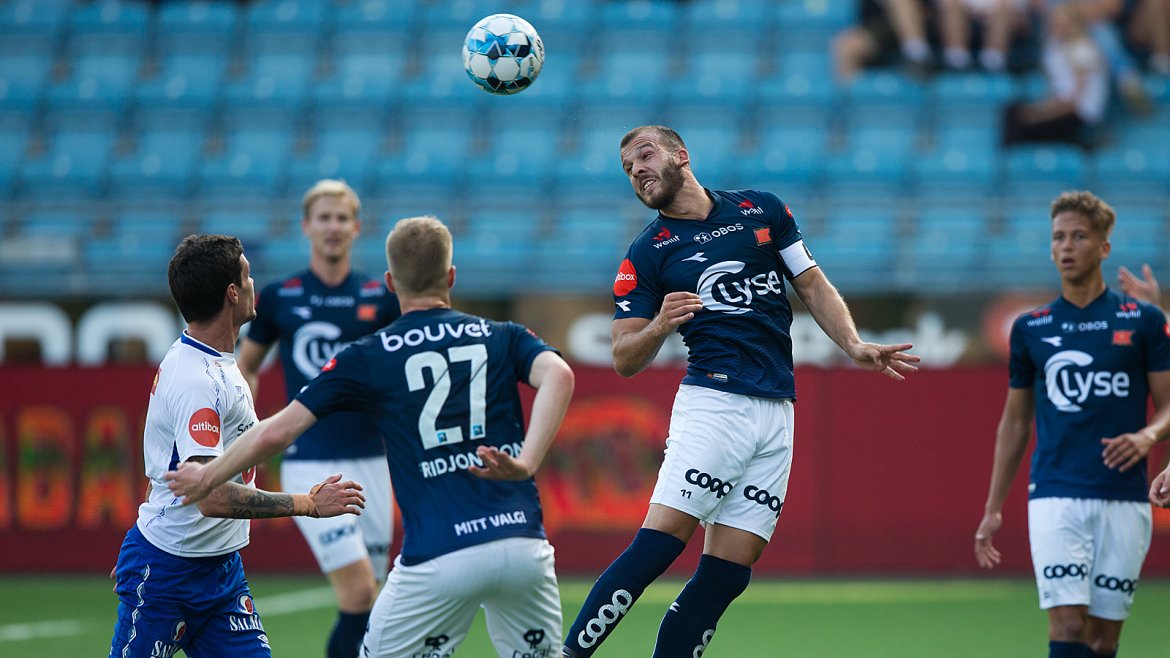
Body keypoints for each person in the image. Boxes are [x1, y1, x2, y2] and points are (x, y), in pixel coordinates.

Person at [559, 126, 920, 658]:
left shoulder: (762, 211)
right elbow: (622, 358)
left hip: (777, 411)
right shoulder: (647, 253)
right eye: (627, 168)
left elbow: (812, 282)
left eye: (644, 155)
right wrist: (659, 326)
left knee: (728, 573)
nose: (636, 170)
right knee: (659, 545)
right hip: (715, 405)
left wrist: (852, 343)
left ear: (681, 155)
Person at [167, 216, 575, 658]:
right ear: (451, 276)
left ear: (390, 282)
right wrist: (528, 462)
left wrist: (207, 478)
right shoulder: (502, 335)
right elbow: (559, 374)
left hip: (439, 555)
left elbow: (280, 430)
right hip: (523, 545)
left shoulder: (370, 355)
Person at [109, 234, 366, 658]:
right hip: (168, 574)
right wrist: (307, 503)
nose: (253, 284)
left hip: (220, 570)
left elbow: (231, 450)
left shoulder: (219, 363)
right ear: (232, 293)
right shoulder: (198, 381)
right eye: (247, 275)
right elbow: (212, 497)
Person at [973, 191, 1170, 658]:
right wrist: (994, 505)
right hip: (1055, 494)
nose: (1066, 246)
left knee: (1103, 640)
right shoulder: (1032, 327)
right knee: (1066, 625)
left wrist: (1148, 436)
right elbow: (1015, 422)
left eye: (1079, 236)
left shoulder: (1141, 321)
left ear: (1103, 247)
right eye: (1058, 237)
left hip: (1124, 498)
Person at [237, 180, 399, 658]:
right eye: (323, 218)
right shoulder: (280, 297)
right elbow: (246, 365)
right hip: (310, 461)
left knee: (373, 598)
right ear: (306, 226)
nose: (333, 227)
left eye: (341, 218)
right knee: (356, 593)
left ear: (356, 227)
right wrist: (246, 429)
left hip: (372, 461)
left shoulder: (379, 295)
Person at [1002, 4, 1109, 148]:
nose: (1058, 29)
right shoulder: (1054, 46)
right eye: (1055, 24)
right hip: (1059, 104)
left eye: (1064, 24)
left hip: (1079, 113)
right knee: (1012, 111)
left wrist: (1040, 114)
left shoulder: (1082, 50)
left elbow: (1073, 102)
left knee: (1020, 124)